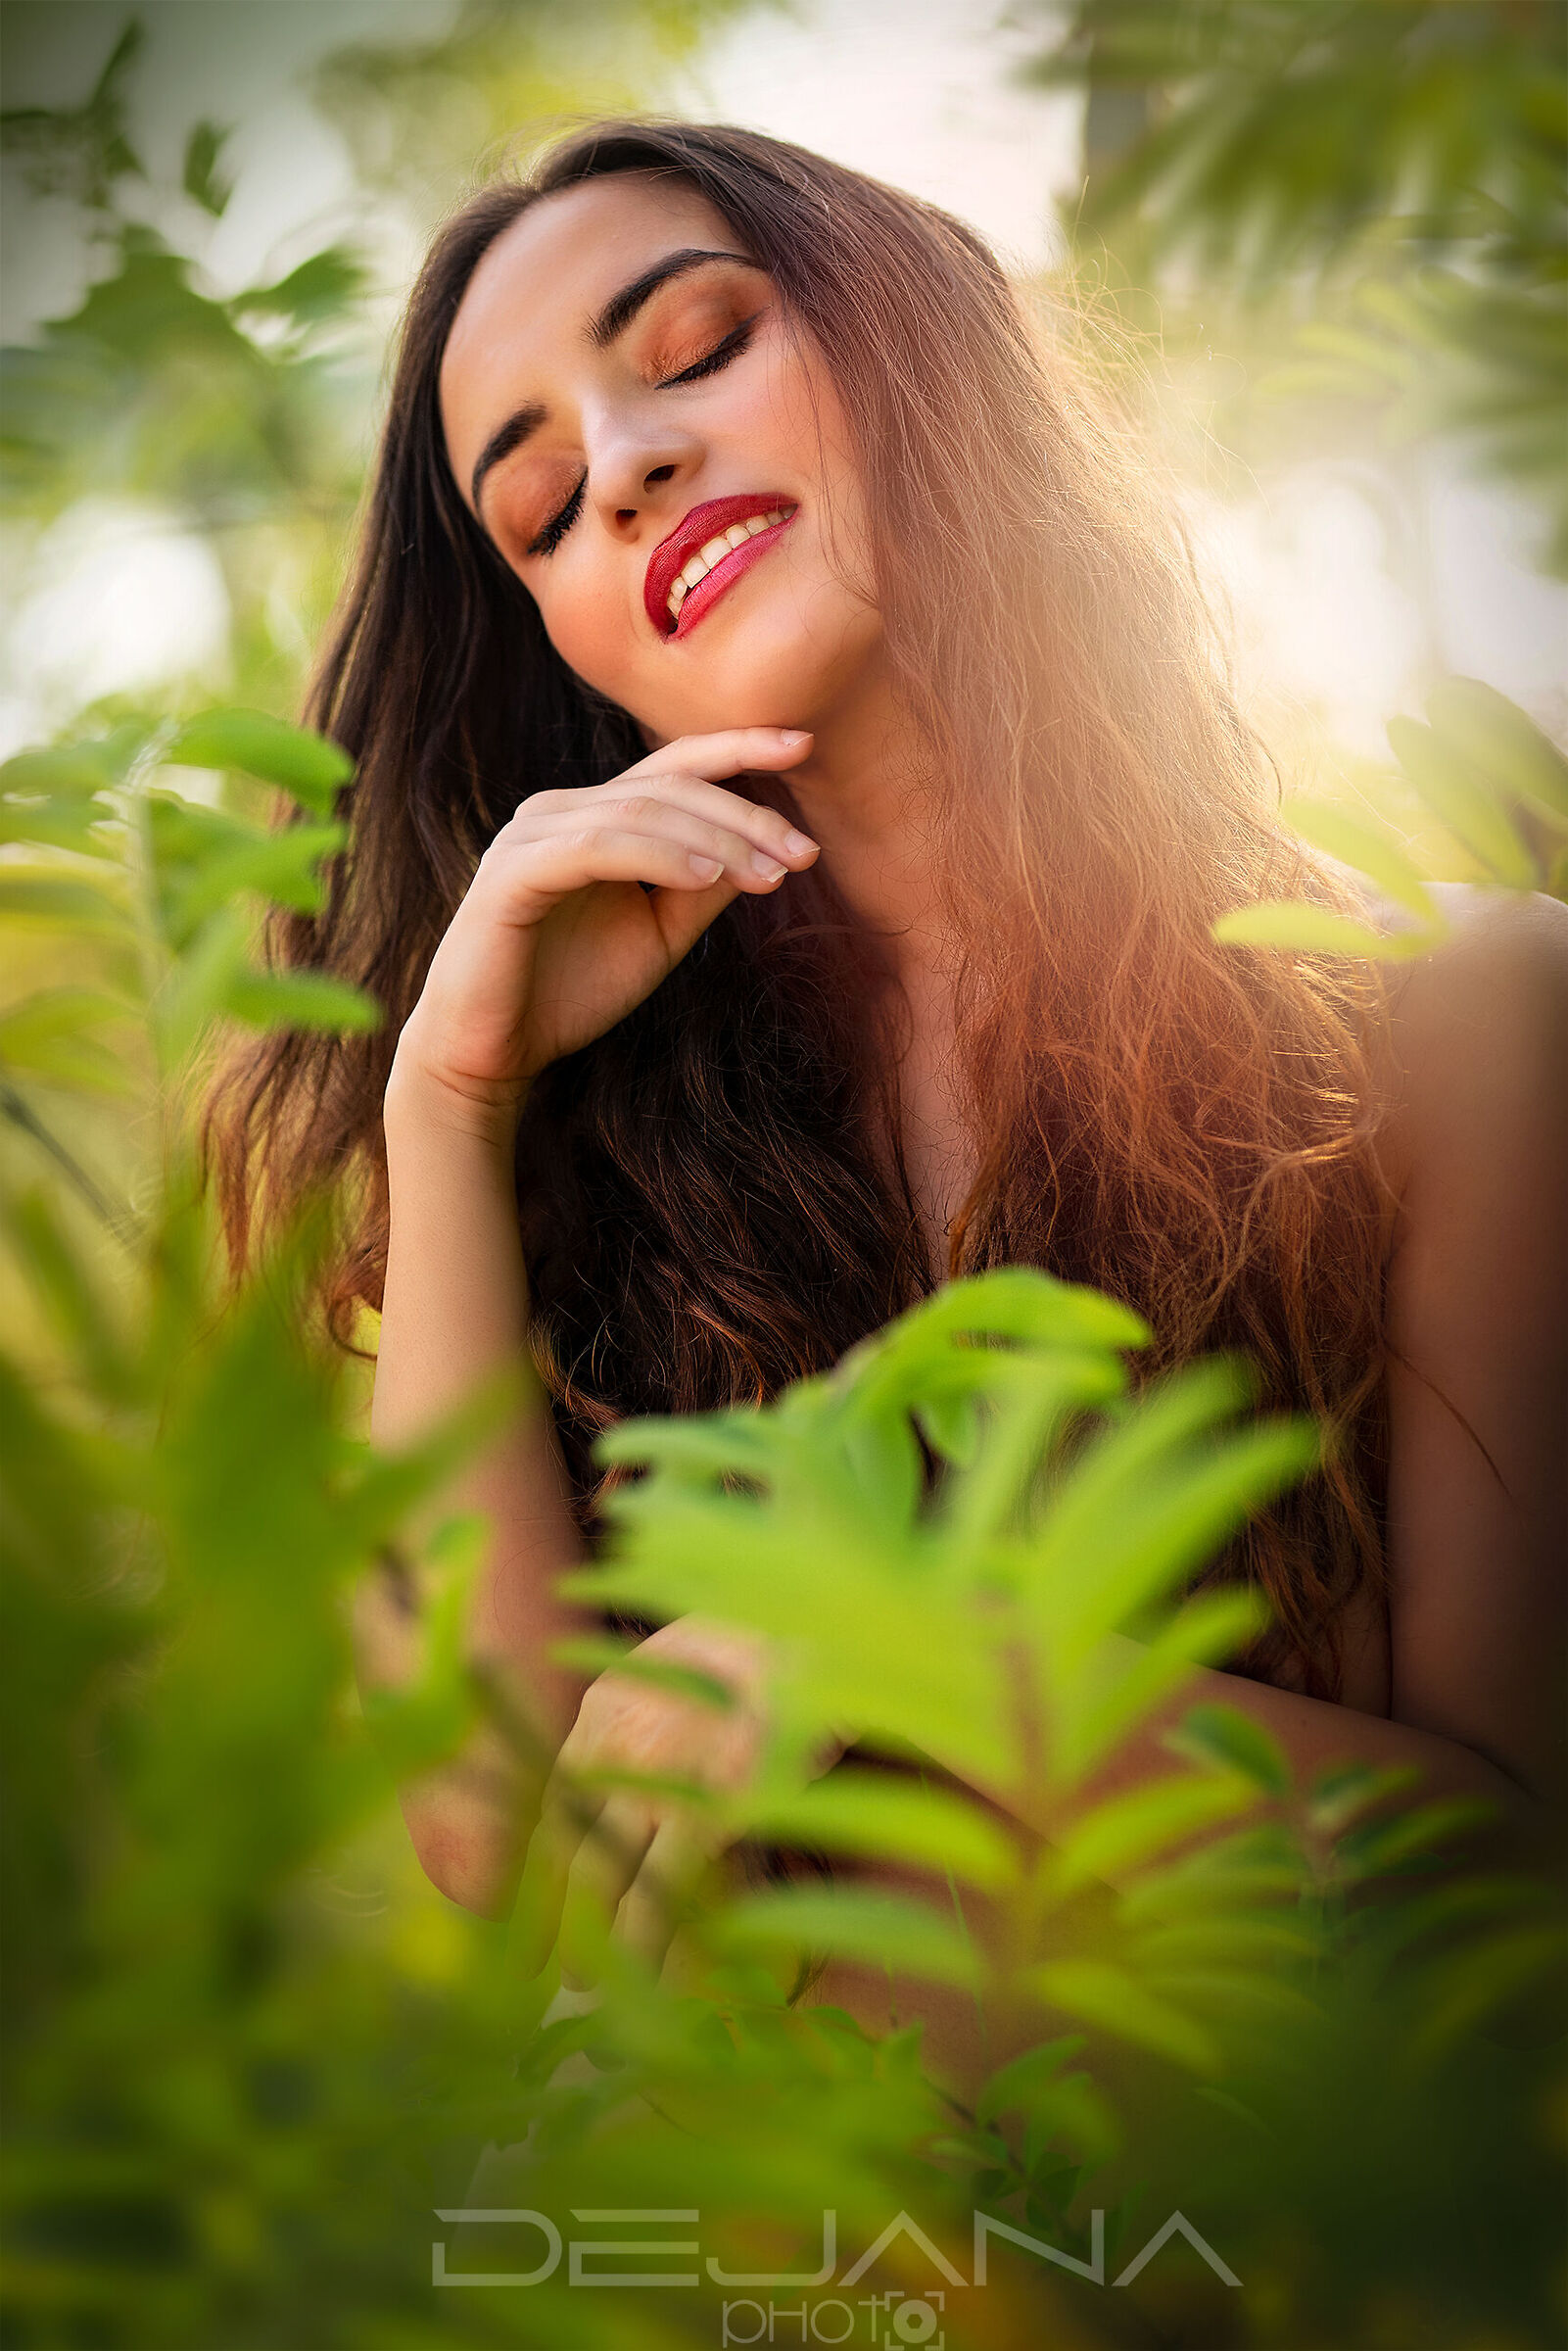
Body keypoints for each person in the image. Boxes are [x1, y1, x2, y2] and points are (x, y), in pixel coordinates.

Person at [209, 121, 1567, 2077]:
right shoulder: (613, 1191)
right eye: (536, 511)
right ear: (565, 650)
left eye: (692, 345)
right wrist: (453, 1096)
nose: (622, 465)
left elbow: (1514, 1906)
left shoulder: (1458, 1023)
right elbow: (511, 1853)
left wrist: (877, 1656)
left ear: (907, 348)